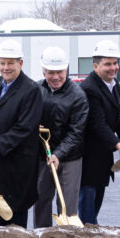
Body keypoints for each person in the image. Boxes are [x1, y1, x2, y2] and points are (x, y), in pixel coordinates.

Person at [0, 39, 42, 228]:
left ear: (20, 64)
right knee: (0, 206)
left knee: (16, 210)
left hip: (18, 161)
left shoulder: (31, 90)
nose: (6, 68)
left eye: (10, 63)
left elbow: (25, 126)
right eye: (2, 63)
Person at [33, 47, 88, 228]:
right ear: (44, 71)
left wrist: (58, 154)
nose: (55, 77)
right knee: (41, 200)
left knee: (67, 205)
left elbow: (76, 132)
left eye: (60, 72)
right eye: (51, 72)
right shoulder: (37, 89)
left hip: (70, 158)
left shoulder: (77, 96)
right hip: (43, 157)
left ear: (67, 70)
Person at [78, 40, 120, 225]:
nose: (113, 68)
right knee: (87, 207)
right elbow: (98, 123)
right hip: (88, 156)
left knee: (96, 201)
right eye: (108, 64)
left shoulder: (114, 85)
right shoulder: (89, 88)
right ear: (96, 66)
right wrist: (118, 145)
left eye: (115, 63)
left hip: (103, 156)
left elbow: (118, 115)